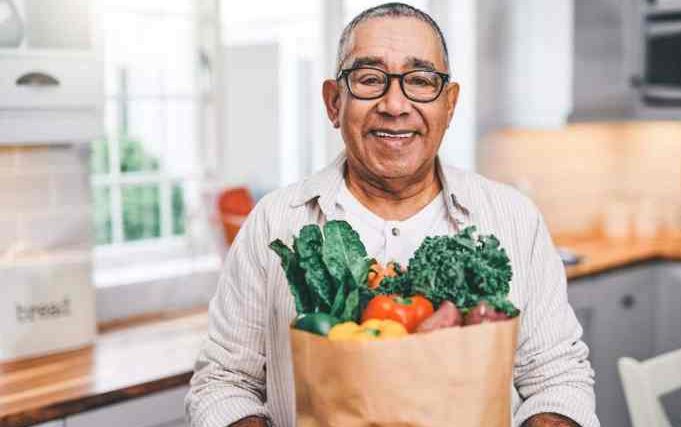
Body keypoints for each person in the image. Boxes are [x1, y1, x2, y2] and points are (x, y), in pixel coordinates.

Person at [185, 3, 599, 427]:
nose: (395, 104)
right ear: (333, 102)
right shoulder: (275, 223)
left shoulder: (515, 219)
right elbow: (223, 381)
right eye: (369, 79)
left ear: (449, 105)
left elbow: (558, 380)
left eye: (420, 81)